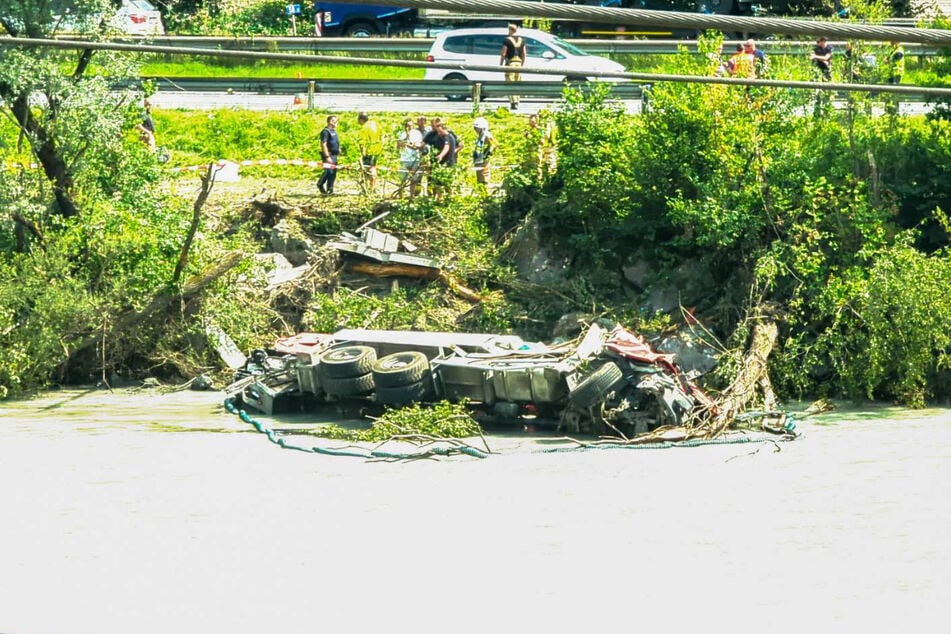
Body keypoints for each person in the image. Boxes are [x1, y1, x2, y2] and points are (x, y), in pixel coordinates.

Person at [499, 23, 526, 111]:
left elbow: (503, 53)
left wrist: (501, 63)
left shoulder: (507, 40)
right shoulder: (522, 40)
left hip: (510, 63)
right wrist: (522, 63)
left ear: (510, 30)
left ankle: (513, 102)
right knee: (517, 82)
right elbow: (524, 54)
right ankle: (517, 101)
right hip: (519, 63)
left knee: (510, 83)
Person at [356, 111, 384, 193]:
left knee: (369, 169)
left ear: (361, 119)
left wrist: (363, 153)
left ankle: (371, 187)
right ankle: (372, 186)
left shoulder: (364, 128)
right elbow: (382, 135)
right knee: (373, 167)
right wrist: (381, 146)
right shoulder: (375, 124)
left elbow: (362, 143)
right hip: (377, 150)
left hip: (369, 151)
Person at [396, 117, 423, 198]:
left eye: (410, 125)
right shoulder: (401, 133)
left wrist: (408, 144)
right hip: (404, 159)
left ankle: (411, 195)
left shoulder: (417, 133)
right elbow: (399, 145)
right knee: (402, 179)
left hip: (415, 159)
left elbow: (417, 145)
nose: (409, 127)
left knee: (414, 179)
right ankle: (400, 195)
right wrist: (406, 138)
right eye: (407, 125)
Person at [317, 115, 340, 195]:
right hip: (328, 155)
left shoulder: (334, 131)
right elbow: (323, 144)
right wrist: (327, 156)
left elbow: (334, 142)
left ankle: (330, 189)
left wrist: (338, 150)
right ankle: (320, 184)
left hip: (334, 155)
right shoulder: (325, 131)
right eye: (335, 121)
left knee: (333, 173)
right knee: (329, 171)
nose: (337, 123)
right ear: (330, 122)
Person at [470, 117, 495, 186]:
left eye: (476, 128)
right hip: (479, 159)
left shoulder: (487, 135)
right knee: (479, 178)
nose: (475, 130)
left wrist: (487, 154)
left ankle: (485, 191)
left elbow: (494, 144)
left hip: (483, 160)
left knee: (484, 178)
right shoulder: (481, 135)